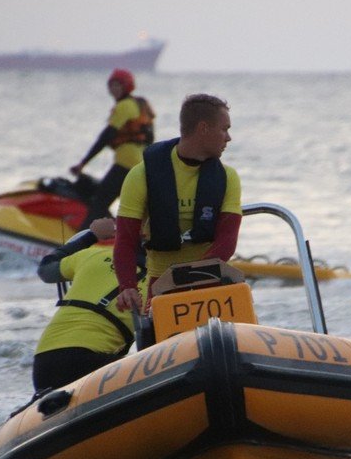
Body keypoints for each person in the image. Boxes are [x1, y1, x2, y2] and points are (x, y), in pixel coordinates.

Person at [112, 93, 242, 314]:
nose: (228, 137)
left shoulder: (228, 177)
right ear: (204, 128)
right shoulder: (141, 175)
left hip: (209, 281)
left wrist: (188, 281)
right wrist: (128, 287)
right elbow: (125, 239)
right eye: (224, 129)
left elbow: (227, 241)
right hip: (160, 285)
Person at [31, 217, 146, 396]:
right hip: (90, 364)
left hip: (44, 363)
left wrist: (92, 236)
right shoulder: (160, 282)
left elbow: (46, 268)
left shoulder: (91, 255)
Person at [69, 69, 155, 226]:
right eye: (111, 85)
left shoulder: (123, 106)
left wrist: (83, 163)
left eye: (117, 85)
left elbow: (105, 136)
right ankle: (113, 236)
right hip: (139, 166)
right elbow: (149, 139)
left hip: (125, 164)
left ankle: (78, 245)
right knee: (128, 208)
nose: (113, 89)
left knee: (99, 202)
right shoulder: (141, 105)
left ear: (127, 86)